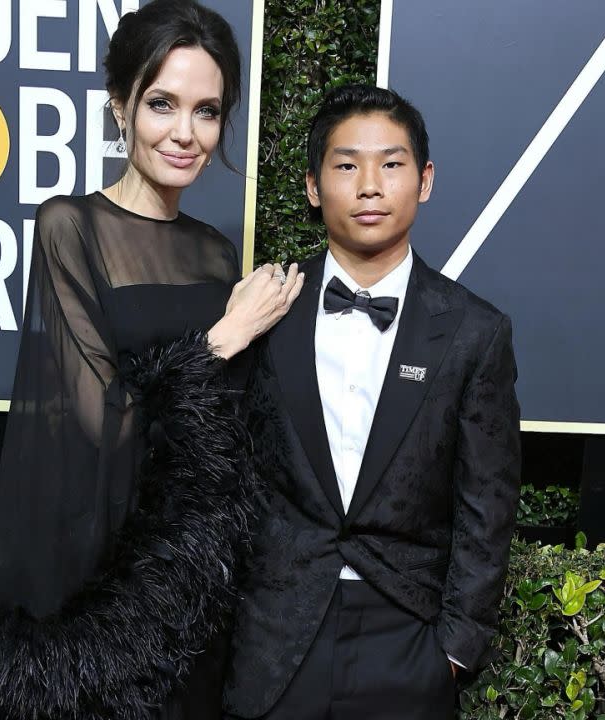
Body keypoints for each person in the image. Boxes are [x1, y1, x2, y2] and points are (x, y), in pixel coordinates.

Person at [0, 2, 303, 719]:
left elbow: (223, 437)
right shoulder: (70, 226)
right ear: (120, 108)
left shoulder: (215, 253)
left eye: (207, 110)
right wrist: (224, 339)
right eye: (162, 103)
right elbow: (102, 420)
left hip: (191, 585)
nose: (186, 133)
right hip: (97, 585)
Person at [223, 84, 521, 720]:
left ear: (425, 180)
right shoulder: (263, 308)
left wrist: (456, 649)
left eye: (391, 164)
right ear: (312, 185)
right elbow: (218, 469)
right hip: (274, 634)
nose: (369, 185)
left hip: (408, 636)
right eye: (346, 164)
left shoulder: (474, 330)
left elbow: (487, 502)